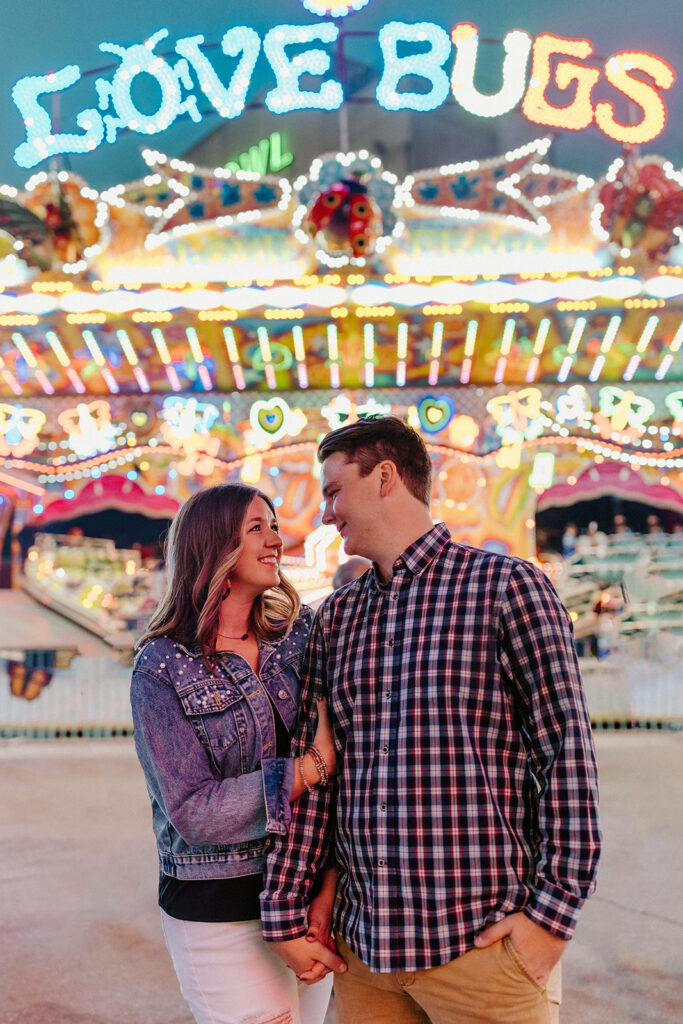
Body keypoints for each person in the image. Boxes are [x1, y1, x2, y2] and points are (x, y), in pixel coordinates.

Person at [260, 416, 601, 1024]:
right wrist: (286, 905)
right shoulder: (334, 619)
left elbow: (566, 755)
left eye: (335, 491)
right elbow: (321, 779)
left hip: (480, 949)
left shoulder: (506, 588)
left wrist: (552, 919)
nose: (326, 512)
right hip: (365, 955)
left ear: (385, 476)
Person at [130, 483, 340, 1024]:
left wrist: (328, 885)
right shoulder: (162, 667)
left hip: (303, 894)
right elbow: (196, 813)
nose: (275, 539)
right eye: (257, 528)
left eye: (273, 525)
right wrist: (309, 768)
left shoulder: (296, 638)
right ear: (214, 544)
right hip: (219, 906)